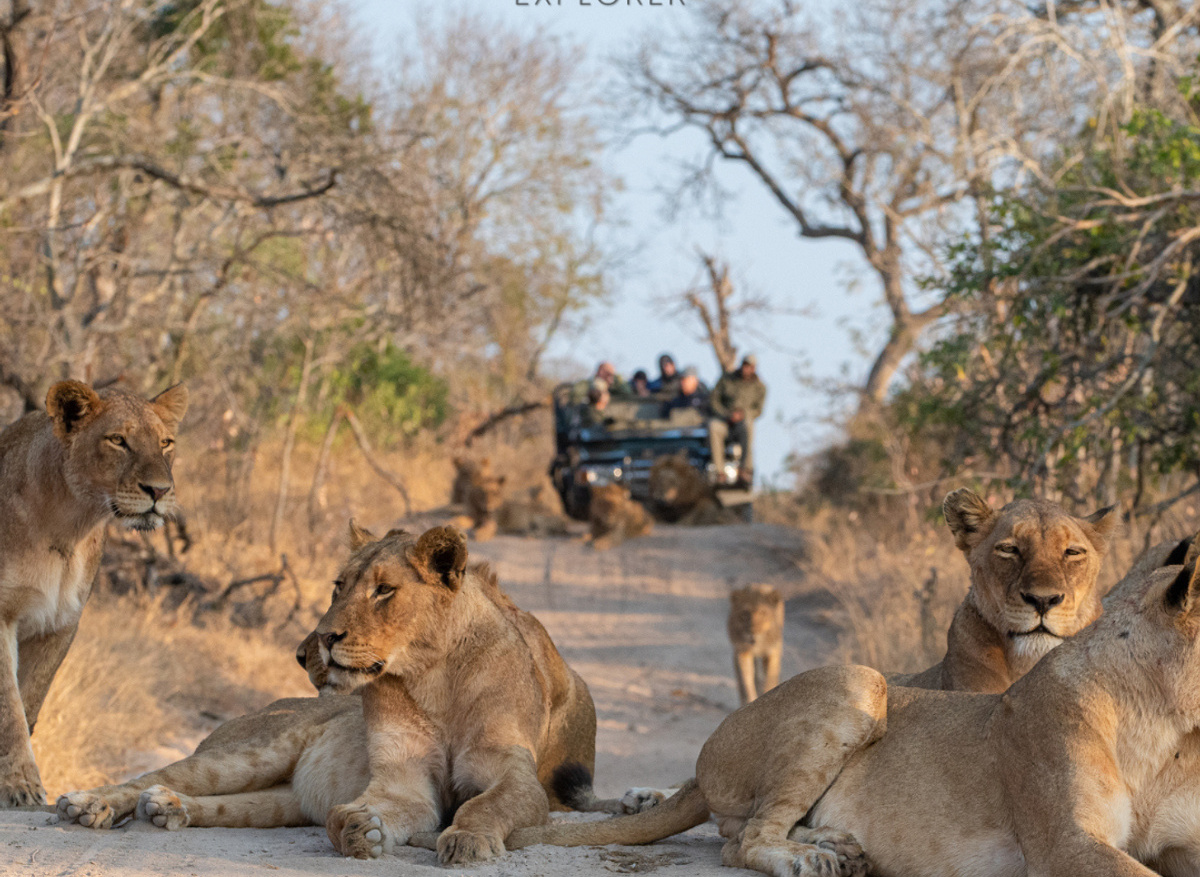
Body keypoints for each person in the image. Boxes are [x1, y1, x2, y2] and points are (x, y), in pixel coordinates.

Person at [709, 354, 766, 486]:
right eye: (745, 365)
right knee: (713, 426)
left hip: (742, 422)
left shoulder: (760, 387)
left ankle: (745, 470)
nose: (746, 369)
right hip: (725, 420)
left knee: (748, 426)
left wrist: (743, 414)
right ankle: (719, 473)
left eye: (749, 366)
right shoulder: (727, 379)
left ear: (754, 368)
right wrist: (725, 414)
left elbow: (758, 410)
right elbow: (714, 400)